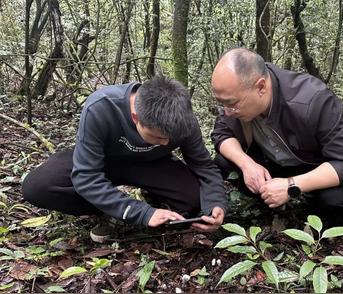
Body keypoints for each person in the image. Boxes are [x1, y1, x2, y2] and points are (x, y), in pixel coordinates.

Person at [22, 76, 228, 242]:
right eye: (158, 137)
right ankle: (105, 211)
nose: (166, 144)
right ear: (136, 117)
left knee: (195, 199)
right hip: (104, 162)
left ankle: (153, 196)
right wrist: (141, 213)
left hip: (153, 165)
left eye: (170, 139)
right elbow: (86, 176)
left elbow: (204, 166)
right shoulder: (102, 106)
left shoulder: (183, 118)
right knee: (38, 187)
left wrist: (216, 205)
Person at [210, 48, 343, 223]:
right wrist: (247, 165)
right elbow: (221, 133)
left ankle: (311, 209)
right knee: (224, 160)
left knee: (334, 200)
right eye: (221, 103)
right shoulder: (238, 93)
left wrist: (291, 185)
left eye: (232, 104)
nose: (227, 112)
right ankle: (269, 201)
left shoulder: (312, 100)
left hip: (312, 167)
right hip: (271, 163)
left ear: (261, 87)